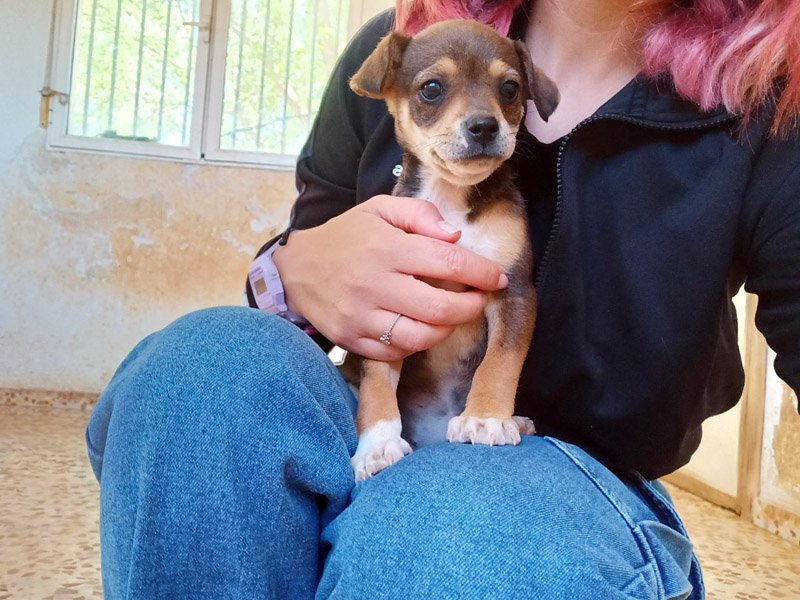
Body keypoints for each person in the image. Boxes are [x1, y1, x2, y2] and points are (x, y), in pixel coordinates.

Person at [86, 0, 800, 597]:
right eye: (434, 92)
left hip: (570, 474)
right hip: (372, 413)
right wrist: (291, 271)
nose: (478, 113)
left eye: (506, 93)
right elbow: (299, 260)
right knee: (197, 372)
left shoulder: (762, 101)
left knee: (448, 524)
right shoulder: (402, 42)